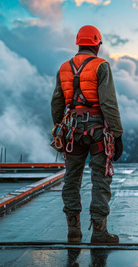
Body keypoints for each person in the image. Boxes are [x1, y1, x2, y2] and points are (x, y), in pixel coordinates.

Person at [51, 25, 123, 243]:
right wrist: (117, 134)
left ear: (79, 42)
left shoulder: (64, 68)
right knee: (100, 178)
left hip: (72, 130)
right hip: (97, 131)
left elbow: (57, 102)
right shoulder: (101, 66)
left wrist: (59, 128)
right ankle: (99, 232)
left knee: (72, 178)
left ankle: (73, 230)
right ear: (97, 44)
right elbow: (108, 102)